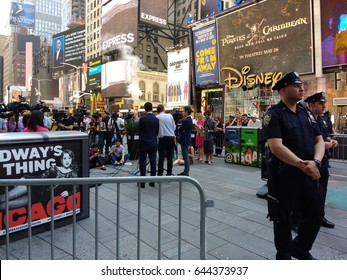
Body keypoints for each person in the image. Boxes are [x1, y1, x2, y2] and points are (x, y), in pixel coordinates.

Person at [262, 71, 325, 260]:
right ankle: (284, 256)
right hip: (284, 176)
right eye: (296, 85)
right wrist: (302, 164)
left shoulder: (306, 112)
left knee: (316, 213)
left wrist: (316, 162)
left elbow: (319, 140)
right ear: (283, 90)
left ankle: (300, 248)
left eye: (301, 85)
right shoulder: (274, 114)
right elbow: (276, 147)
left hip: (309, 172)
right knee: (283, 219)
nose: (301, 88)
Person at [305, 92, 338, 228]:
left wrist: (332, 141)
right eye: (321, 103)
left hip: (323, 162)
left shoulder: (324, 120)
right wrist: (323, 144)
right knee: (305, 192)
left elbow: (327, 136)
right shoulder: (305, 119)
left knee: (322, 191)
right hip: (309, 161)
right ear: (311, 104)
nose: (324, 106)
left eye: (324, 103)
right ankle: (297, 218)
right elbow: (305, 140)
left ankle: (320, 216)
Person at [138, 102, 159, 188]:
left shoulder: (142, 119)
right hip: (153, 142)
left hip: (143, 142)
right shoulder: (156, 119)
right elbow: (157, 131)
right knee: (153, 161)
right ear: (152, 108)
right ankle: (152, 181)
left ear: (145, 109)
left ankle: (142, 182)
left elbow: (139, 131)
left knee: (142, 162)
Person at [156, 104, 176, 176]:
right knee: (170, 157)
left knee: (161, 157)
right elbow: (174, 127)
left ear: (157, 111)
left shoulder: (157, 117)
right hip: (170, 137)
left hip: (162, 138)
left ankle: (160, 174)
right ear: (163, 109)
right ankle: (169, 173)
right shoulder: (170, 116)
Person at [177, 106, 193, 176]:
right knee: (185, 155)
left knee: (185, 155)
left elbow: (181, 130)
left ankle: (186, 171)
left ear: (186, 112)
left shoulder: (187, 120)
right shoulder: (187, 119)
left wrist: (180, 128)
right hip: (185, 138)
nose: (182, 113)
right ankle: (186, 171)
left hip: (185, 139)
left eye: (183, 111)